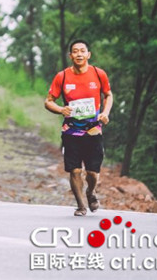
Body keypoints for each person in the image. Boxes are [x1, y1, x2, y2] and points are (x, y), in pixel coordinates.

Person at [45, 39, 113, 216]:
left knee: (92, 172)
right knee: (74, 170)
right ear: (70, 56)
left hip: (93, 130)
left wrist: (105, 112)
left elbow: (108, 95)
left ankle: (90, 192)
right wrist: (61, 109)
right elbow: (48, 101)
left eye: (83, 51)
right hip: (71, 130)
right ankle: (81, 205)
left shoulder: (99, 74)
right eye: (75, 51)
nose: (79, 54)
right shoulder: (63, 77)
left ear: (88, 54)